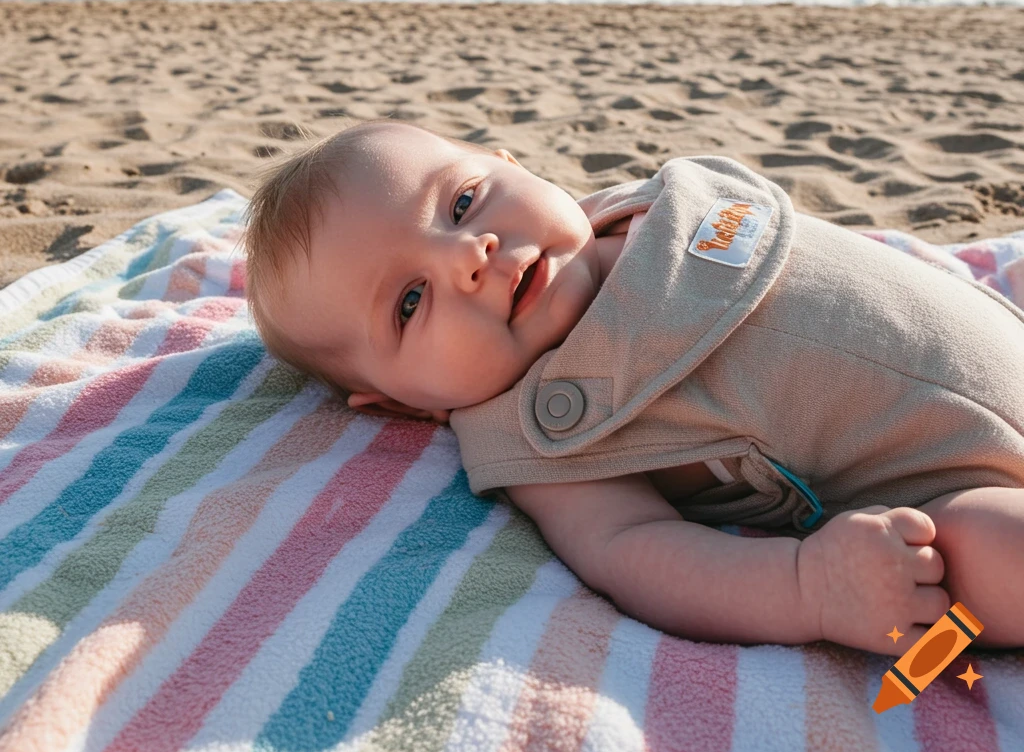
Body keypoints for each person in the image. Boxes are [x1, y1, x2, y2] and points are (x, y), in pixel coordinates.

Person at [242, 116, 1024, 655]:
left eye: (462, 201)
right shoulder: (534, 434)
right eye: (410, 302)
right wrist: (809, 588)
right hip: (957, 488)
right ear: (407, 401)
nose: (469, 254)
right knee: (994, 556)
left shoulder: (644, 209)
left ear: (513, 166)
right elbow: (634, 552)